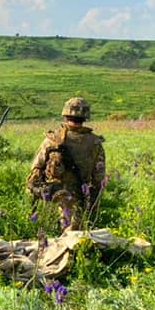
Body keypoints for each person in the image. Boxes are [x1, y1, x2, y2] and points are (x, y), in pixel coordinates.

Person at [26, 97, 106, 232]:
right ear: (85, 116)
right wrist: (91, 202)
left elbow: (36, 169)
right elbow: (98, 179)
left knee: (51, 232)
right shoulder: (95, 143)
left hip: (50, 196)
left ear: (65, 114)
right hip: (78, 196)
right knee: (74, 234)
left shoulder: (53, 139)